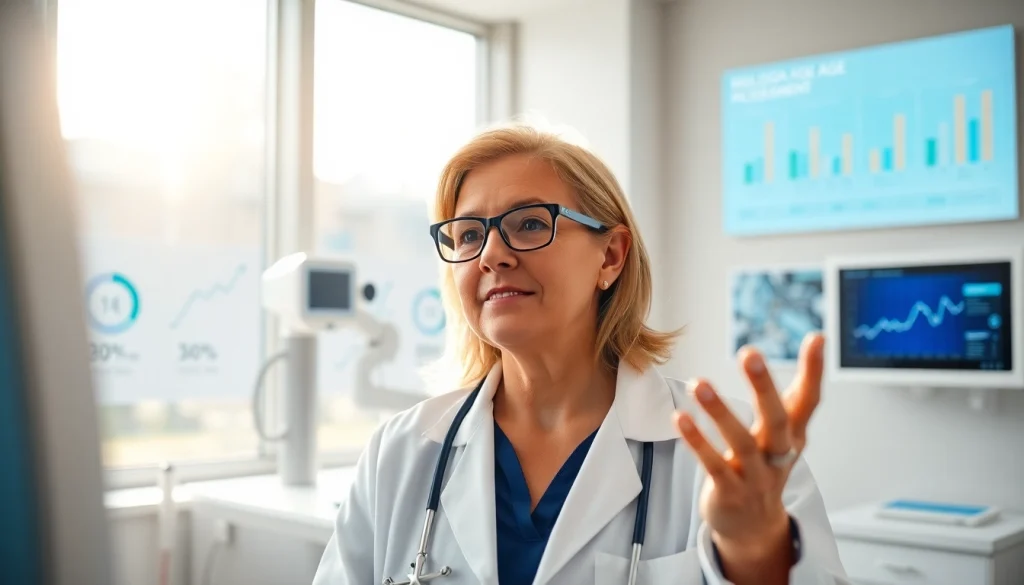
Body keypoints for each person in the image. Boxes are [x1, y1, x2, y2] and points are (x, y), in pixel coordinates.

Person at [311, 124, 848, 585]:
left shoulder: (724, 453)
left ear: (610, 256)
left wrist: (757, 553)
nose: (492, 254)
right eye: (469, 234)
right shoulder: (400, 452)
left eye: (529, 223)